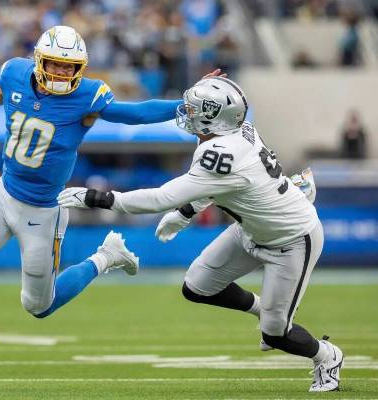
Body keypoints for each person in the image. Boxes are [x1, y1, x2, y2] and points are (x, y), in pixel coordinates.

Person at [0, 25, 224, 390]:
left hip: (43, 212)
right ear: (39, 61)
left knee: (39, 306)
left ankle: (105, 258)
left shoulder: (87, 96)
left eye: (71, 67)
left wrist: (184, 104)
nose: (64, 73)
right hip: (1, 195)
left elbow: (134, 114)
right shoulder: (14, 74)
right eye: (56, 64)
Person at [58, 76, 343, 393]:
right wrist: (185, 213)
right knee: (197, 287)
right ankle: (266, 308)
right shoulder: (236, 132)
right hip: (251, 227)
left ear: (215, 117)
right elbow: (223, 186)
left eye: (194, 109)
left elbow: (162, 197)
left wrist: (101, 198)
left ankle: (327, 356)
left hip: (291, 241)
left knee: (276, 334)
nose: (186, 113)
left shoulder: (221, 154)